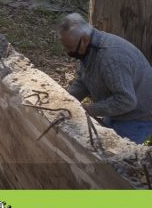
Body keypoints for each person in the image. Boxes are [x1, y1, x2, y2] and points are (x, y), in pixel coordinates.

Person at [59, 13, 152, 144]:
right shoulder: (88, 49)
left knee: (115, 158)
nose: (66, 51)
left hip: (137, 116)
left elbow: (126, 101)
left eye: (68, 47)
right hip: (118, 111)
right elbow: (82, 82)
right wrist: (66, 100)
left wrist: (89, 109)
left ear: (84, 40)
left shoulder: (111, 58)